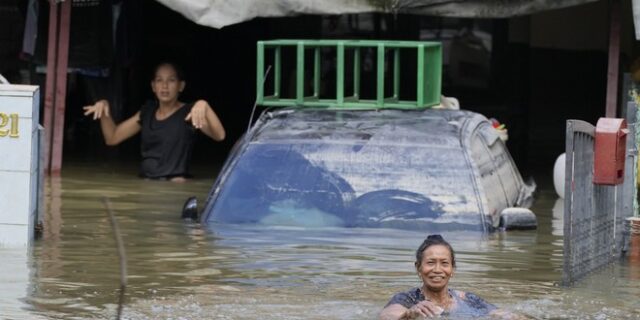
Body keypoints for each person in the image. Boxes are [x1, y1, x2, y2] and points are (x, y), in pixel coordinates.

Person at [83, 62, 225, 182]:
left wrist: (204, 105)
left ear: (181, 86)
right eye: (159, 80)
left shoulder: (191, 113)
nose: (164, 86)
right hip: (146, 183)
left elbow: (219, 136)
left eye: (171, 80)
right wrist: (104, 110)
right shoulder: (147, 112)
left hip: (174, 187)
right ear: (153, 86)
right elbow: (112, 137)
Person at [379, 235, 527, 319]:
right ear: (418, 268)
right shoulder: (408, 299)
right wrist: (409, 314)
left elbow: (497, 313)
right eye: (430, 263)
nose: (437, 270)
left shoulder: (466, 299)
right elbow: (387, 316)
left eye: (444, 263)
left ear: (452, 269)